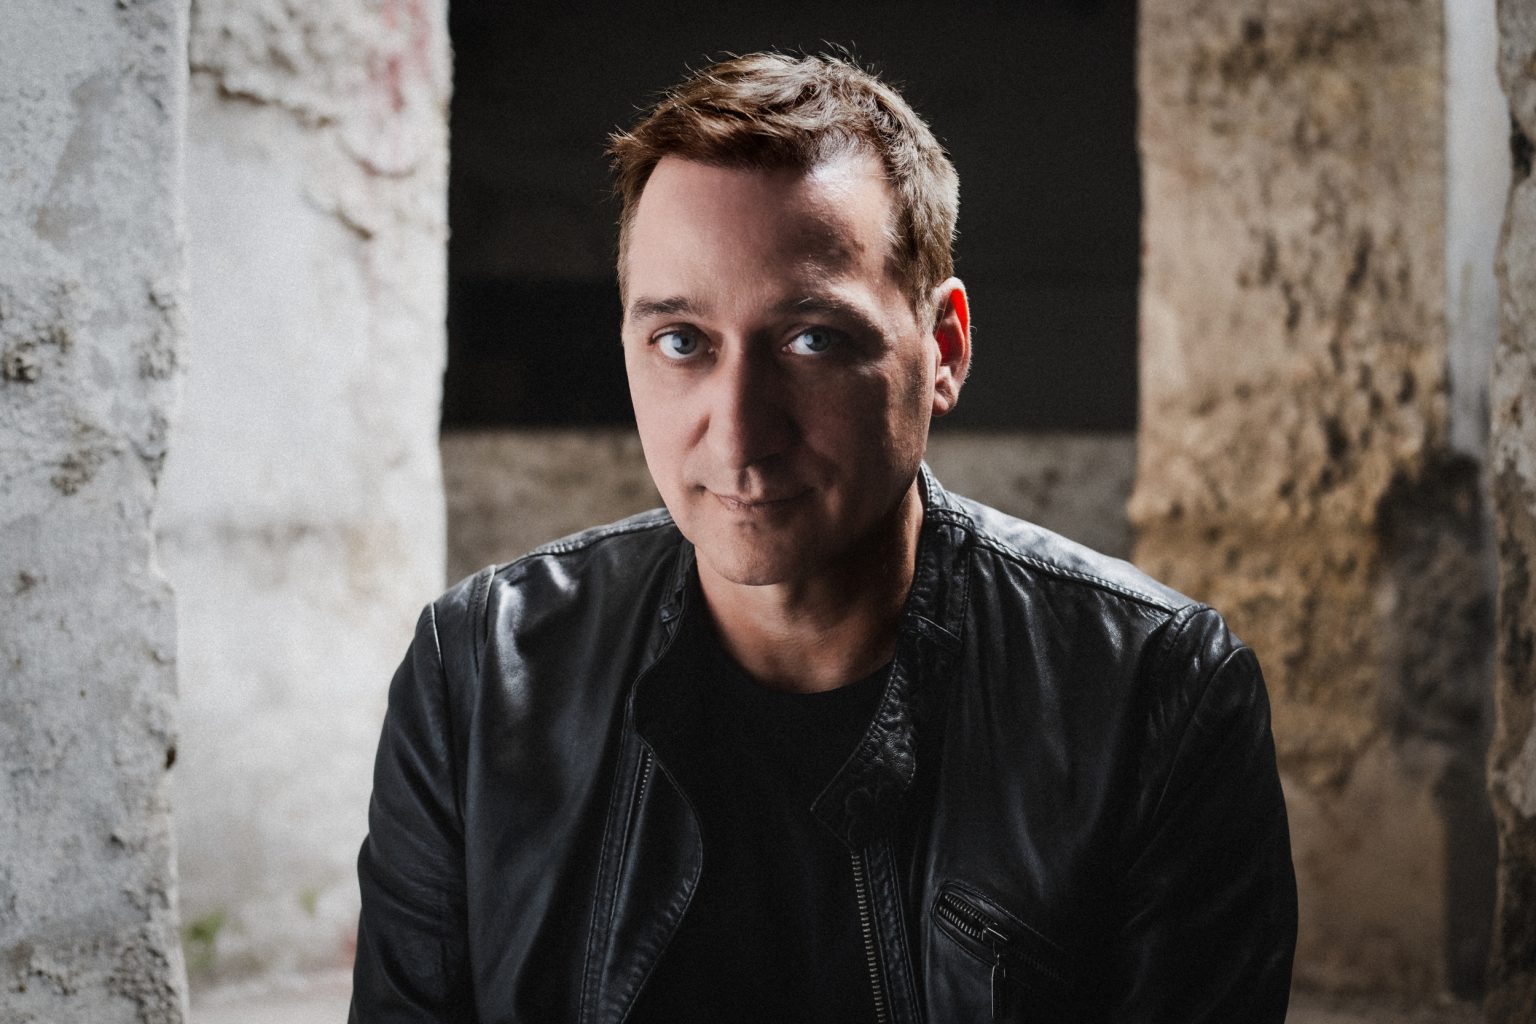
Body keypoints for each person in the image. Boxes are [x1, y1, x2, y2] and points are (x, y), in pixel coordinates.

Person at [349, 52, 1297, 1023]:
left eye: (813, 340)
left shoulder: (1158, 696)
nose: (740, 434)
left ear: (945, 348)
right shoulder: (478, 675)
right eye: (682, 341)